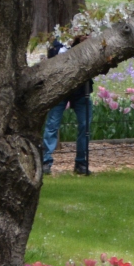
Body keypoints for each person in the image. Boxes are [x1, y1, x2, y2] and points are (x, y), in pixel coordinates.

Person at [42, 36, 93, 176]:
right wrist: (71, 44)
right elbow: (54, 56)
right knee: (52, 125)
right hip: (60, 90)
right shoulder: (58, 42)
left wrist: (85, 43)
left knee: (85, 125)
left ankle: (81, 162)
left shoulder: (89, 41)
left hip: (82, 90)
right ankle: (46, 162)